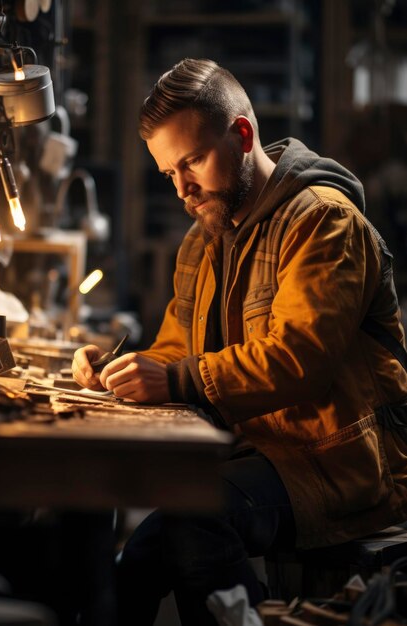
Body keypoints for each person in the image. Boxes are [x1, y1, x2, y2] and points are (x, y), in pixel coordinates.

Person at [72, 58, 407, 625]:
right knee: (132, 569)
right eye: (168, 174)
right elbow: (178, 350)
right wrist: (121, 367)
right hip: (260, 456)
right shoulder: (206, 238)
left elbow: (299, 360)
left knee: (194, 517)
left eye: (193, 161)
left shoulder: (324, 222)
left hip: (338, 466)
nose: (182, 189)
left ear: (243, 133)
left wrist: (175, 378)